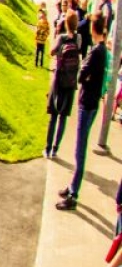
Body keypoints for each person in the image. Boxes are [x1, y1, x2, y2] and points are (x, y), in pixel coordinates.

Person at [58, 16, 108, 210]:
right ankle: (72, 186)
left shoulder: (96, 52)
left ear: (92, 30)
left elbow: (81, 75)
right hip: (92, 104)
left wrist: (84, 76)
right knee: (80, 147)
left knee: (80, 150)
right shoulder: (102, 51)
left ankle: (74, 194)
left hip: (86, 105)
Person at [45, 11, 81, 159]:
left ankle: (47, 149)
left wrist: (58, 35)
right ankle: (55, 149)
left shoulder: (61, 38)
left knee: (53, 115)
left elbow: (52, 52)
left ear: (66, 23)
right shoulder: (78, 38)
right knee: (63, 117)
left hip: (59, 79)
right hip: (71, 82)